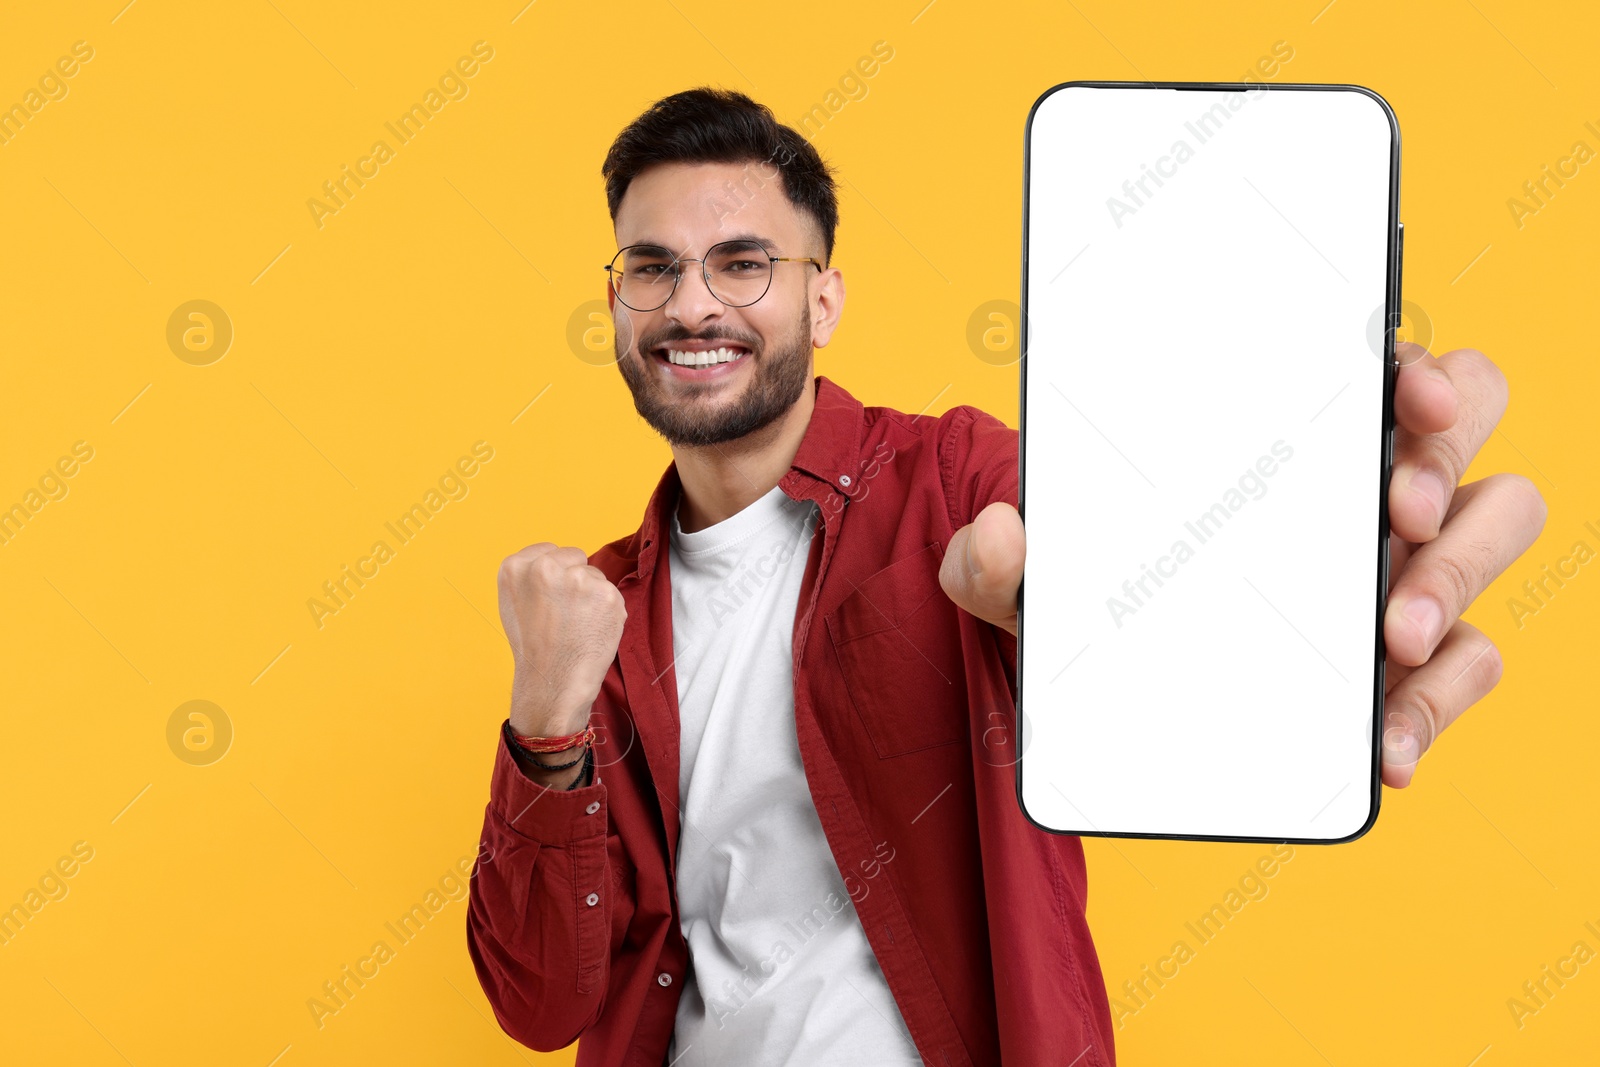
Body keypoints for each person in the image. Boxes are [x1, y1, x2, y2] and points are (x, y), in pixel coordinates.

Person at [465, 88, 1545, 1067]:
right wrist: (544, 724)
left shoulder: (959, 478)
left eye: (742, 262)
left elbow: (1163, 554)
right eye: (651, 266)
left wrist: (1306, 527)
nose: (692, 304)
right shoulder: (595, 615)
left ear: (825, 300)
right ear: (617, 300)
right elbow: (538, 1000)